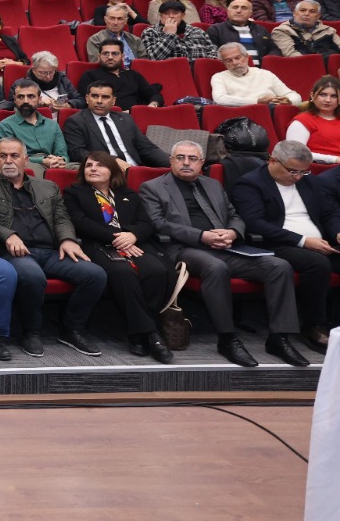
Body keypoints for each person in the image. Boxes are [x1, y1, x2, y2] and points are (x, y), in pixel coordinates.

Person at [140, 141, 313, 368]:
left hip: (224, 247)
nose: (186, 163)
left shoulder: (212, 184)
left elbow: (235, 215)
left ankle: (279, 338)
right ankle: (228, 338)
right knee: (216, 267)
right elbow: (158, 224)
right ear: (170, 160)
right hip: (182, 249)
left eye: (192, 159)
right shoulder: (152, 187)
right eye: (180, 157)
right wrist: (202, 235)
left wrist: (232, 232)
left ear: (202, 163)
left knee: (278, 266)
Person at [0, 140, 106, 356]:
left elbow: (61, 218)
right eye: (3, 156)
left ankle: (71, 329)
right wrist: (8, 235)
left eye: (14, 156)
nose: (8, 161)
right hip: (10, 252)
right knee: (33, 276)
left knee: (95, 274)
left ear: (25, 160)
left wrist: (67, 239)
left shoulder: (47, 186)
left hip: (50, 250)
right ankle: (31, 331)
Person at [61, 151, 174, 362]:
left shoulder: (128, 194)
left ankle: (138, 333)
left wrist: (132, 235)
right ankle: (151, 334)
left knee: (156, 271)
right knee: (123, 273)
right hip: (98, 244)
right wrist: (117, 237)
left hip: (133, 243)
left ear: (113, 171)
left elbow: (146, 223)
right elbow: (80, 222)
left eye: (99, 165)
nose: (93, 169)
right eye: (88, 166)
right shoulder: (74, 192)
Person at [230, 141, 336, 353]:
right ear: (273, 161)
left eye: (303, 172)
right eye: (292, 171)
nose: (297, 177)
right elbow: (255, 223)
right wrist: (303, 241)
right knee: (317, 264)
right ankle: (314, 326)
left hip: (319, 241)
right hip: (277, 243)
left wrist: (338, 233)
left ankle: (335, 324)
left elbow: (329, 213)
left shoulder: (309, 182)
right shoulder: (250, 184)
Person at [0, 79, 71, 174]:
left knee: (80, 169)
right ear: (15, 100)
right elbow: (12, 157)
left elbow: (63, 154)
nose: (26, 101)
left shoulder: (52, 125)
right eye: (21, 97)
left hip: (53, 162)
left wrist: (60, 160)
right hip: (27, 164)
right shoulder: (6, 125)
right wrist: (42, 160)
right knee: (33, 171)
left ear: (39, 99)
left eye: (31, 96)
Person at [78, 41, 161, 111]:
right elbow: (89, 103)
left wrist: (153, 105)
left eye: (115, 54)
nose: (110, 57)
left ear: (123, 57)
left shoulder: (133, 75)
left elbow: (153, 94)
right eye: (105, 53)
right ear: (99, 57)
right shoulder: (90, 76)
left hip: (139, 116)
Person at [211, 43, 301, 106]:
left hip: (273, 111)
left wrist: (289, 101)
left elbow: (293, 95)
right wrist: (257, 101)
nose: (235, 63)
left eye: (238, 58)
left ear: (246, 57)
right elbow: (220, 99)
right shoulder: (219, 77)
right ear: (223, 63)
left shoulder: (264, 74)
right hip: (244, 118)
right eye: (229, 60)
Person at [141, 0, 218, 61]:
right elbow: (153, 58)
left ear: (183, 15)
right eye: (166, 13)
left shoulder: (197, 31)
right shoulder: (150, 32)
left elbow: (213, 53)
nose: (171, 16)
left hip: (198, 72)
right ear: (161, 16)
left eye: (175, 13)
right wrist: (169, 35)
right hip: (171, 72)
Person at [288, 76, 340, 163]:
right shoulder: (302, 121)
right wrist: (335, 159)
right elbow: (296, 153)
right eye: (323, 95)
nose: (328, 100)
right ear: (312, 96)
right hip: (321, 168)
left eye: (334, 96)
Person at [207, 0, 277, 60]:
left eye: (244, 8)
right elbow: (213, 55)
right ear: (228, 11)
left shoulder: (261, 30)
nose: (239, 11)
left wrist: (267, 62)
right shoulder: (216, 30)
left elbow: (274, 49)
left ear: (250, 14)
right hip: (231, 70)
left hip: (259, 71)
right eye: (235, 7)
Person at [273, 0, 340, 57]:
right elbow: (291, 54)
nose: (306, 14)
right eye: (302, 10)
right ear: (294, 13)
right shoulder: (282, 30)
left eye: (312, 11)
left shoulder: (329, 30)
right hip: (303, 67)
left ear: (318, 16)